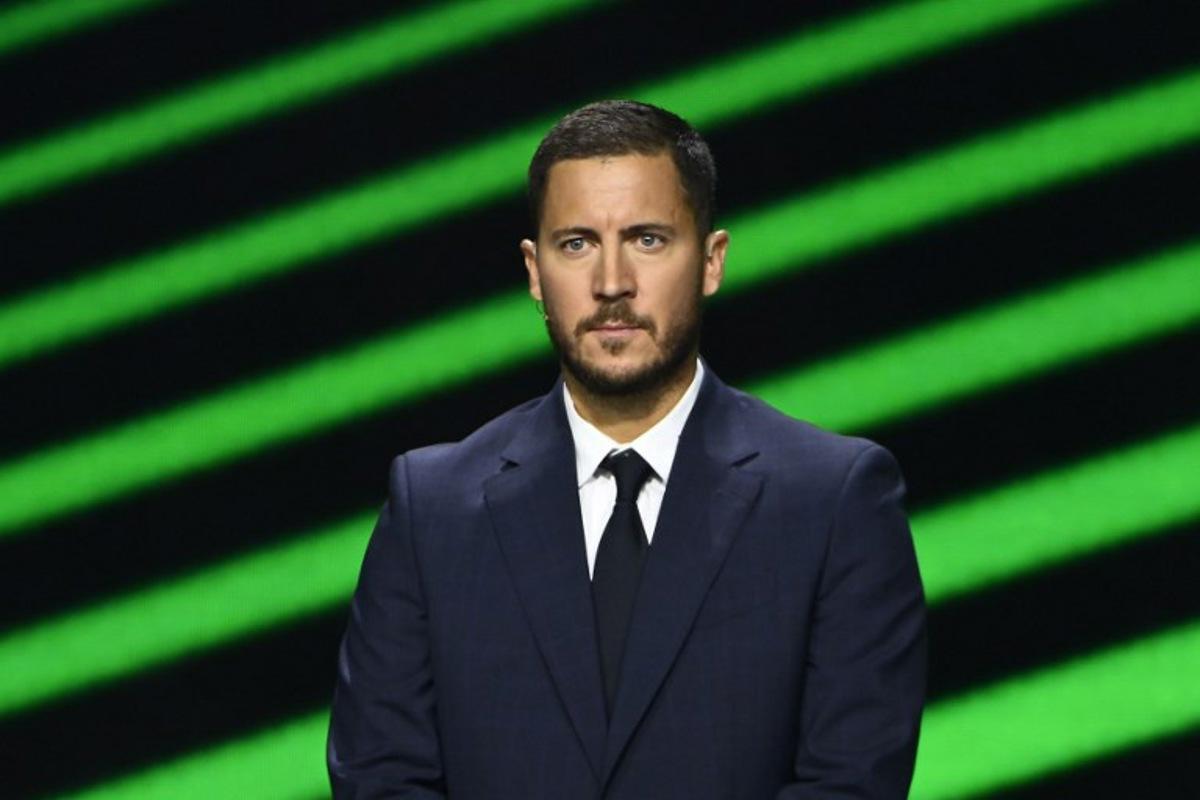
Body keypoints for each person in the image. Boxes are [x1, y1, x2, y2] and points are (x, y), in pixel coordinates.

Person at [327, 100, 926, 799]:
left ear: (710, 261)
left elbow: (851, 783)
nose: (611, 283)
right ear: (533, 270)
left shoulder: (833, 502)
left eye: (647, 239)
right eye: (576, 243)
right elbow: (381, 779)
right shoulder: (431, 512)